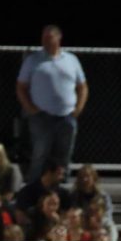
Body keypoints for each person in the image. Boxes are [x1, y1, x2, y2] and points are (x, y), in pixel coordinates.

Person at [17, 25, 88, 181]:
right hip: (41, 116)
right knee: (39, 153)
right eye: (43, 38)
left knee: (64, 153)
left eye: (49, 38)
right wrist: (30, 108)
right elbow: (21, 87)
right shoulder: (33, 60)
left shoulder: (71, 60)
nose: (45, 41)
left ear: (58, 38)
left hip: (67, 116)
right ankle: (34, 185)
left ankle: (61, 185)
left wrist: (78, 109)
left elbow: (82, 86)